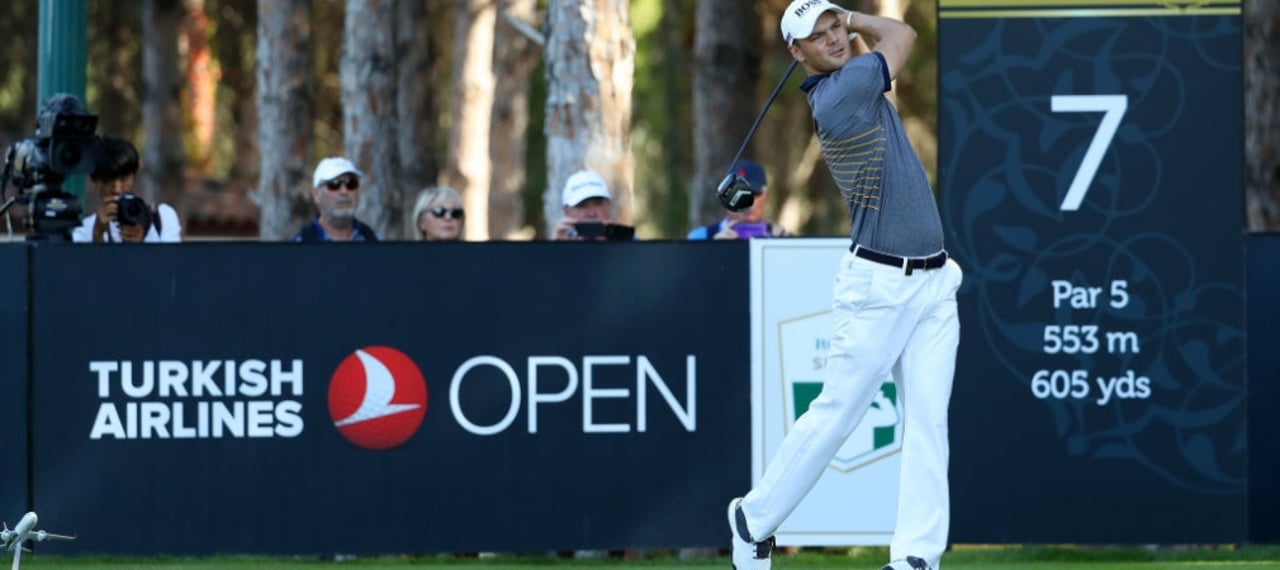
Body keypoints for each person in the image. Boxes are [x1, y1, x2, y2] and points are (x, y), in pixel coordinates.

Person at [726, 3, 962, 570]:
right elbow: (901, 34)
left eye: (836, 27)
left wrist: (840, 19)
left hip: (934, 283)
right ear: (797, 53)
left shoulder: (851, 79)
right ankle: (752, 518)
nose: (833, 38)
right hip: (879, 286)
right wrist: (856, 18)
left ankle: (915, 557)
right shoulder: (841, 92)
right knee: (837, 414)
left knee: (928, 423)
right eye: (819, 35)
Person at [72, 136, 182, 243]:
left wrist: (146, 233)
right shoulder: (84, 230)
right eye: (108, 180)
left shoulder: (162, 218)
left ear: (134, 177)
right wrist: (97, 235)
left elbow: (170, 255)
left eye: (124, 179)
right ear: (95, 181)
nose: (117, 189)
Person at [687, 159, 789, 240]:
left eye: (754, 193)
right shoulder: (701, 238)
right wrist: (714, 249)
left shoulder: (780, 237)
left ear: (766, 197)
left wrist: (783, 245)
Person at [292, 157, 379, 242]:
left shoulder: (374, 241)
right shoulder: (300, 245)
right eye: (334, 184)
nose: (344, 191)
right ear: (316, 195)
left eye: (351, 184)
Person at [552, 169, 630, 241]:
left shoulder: (628, 243)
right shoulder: (556, 245)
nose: (591, 213)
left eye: (598, 203)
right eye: (582, 205)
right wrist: (558, 247)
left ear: (608, 206)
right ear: (567, 211)